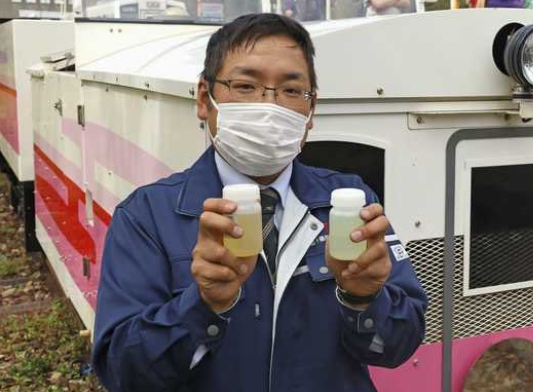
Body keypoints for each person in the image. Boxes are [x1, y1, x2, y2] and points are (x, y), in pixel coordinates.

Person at [92, 13, 427, 392]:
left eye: (290, 90)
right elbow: (123, 372)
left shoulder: (351, 203)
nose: (269, 107)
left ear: (311, 110)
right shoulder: (147, 216)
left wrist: (363, 298)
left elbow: (400, 344)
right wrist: (203, 306)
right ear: (205, 99)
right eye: (245, 85)